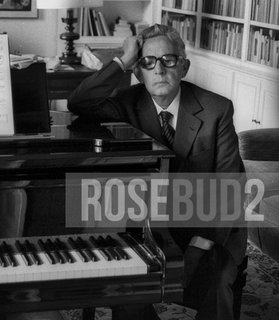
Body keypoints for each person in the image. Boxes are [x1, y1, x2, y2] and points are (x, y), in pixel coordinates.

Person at [68, 24, 246, 320]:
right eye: (148, 62)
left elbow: (229, 188)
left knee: (214, 285)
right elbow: (79, 102)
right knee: (128, 288)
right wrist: (123, 60)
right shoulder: (127, 103)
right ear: (138, 72)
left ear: (184, 67)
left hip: (210, 227)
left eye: (169, 60)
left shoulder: (217, 110)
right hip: (147, 225)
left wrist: (195, 251)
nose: (159, 69)